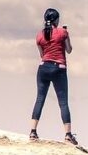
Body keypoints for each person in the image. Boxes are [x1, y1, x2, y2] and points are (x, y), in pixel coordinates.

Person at [29, 8, 77, 144]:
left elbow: (42, 55)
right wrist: (67, 35)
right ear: (57, 20)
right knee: (63, 102)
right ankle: (68, 135)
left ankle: (33, 132)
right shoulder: (62, 32)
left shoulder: (39, 35)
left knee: (40, 99)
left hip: (43, 68)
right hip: (59, 69)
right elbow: (69, 50)